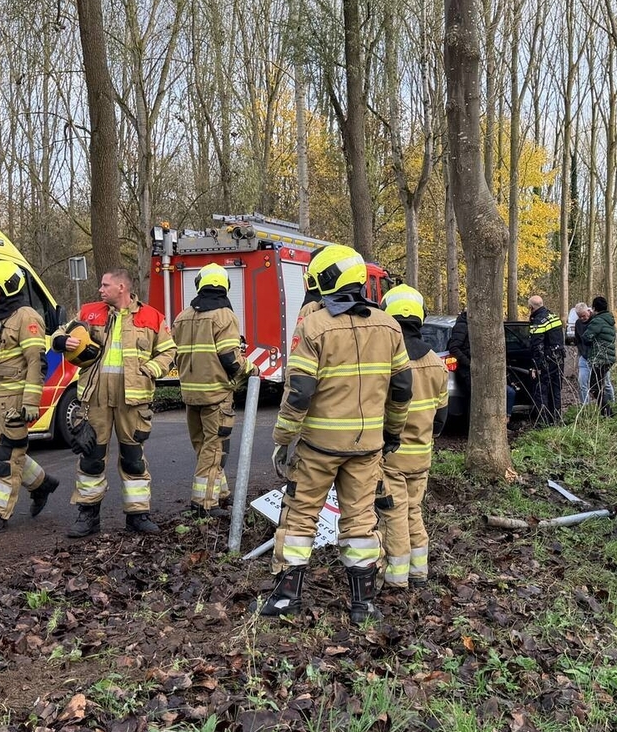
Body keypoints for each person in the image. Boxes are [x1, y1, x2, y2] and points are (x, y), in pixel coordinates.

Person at [261, 244, 412, 624]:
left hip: (318, 447)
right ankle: (364, 605)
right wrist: (392, 433)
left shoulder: (313, 325)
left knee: (299, 518)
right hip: (368, 447)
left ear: (325, 281)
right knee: (360, 521)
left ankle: (286, 599)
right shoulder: (389, 326)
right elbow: (402, 389)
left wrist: (283, 438)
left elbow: (299, 392)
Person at [53, 267, 176, 537]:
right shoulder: (89, 312)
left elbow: (169, 352)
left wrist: (150, 370)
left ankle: (138, 516)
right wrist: (62, 340)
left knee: (133, 459)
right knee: (91, 457)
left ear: (122, 287)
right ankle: (88, 515)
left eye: (105, 285)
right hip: (95, 398)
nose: (100, 289)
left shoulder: (152, 317)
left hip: (133, 400)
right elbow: (58, 333)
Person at [0, 260, 58, 532]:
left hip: (13, 400)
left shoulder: (27, 317)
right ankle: (41, 483)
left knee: (7, 457)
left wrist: (31, 402)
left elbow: (37, 362)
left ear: (8, 288)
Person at [378, 285, 449, 590]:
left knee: (392, 513)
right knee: (413, 510)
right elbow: (441, 417)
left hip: (391, 456)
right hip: (422, 455)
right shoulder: (436, 363)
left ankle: (396, 577)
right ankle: (419, 571)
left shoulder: (386, 360)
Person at [171, 263, 244, 520]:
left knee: (204, 448)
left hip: (191, 395)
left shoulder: (183, 316)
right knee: (214, 451)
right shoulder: (224, 316)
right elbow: (230, 359)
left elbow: (174, 353)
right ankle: (203, 504)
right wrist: (250, 369)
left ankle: (221, 493)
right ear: (225, 286)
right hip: (216, 395)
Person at [447, 307, 515, 420]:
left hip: (481, 368)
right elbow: (454, 348)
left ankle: (500, 421)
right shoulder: (462, 326)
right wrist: (470, 363)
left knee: (503, 393)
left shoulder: (476, 325)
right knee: (478, 399)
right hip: (468, 370)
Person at [526, 294, 563, 424]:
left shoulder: (538, 321)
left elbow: (537, 347)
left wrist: (536, 366)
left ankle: (543, 422)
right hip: (558, 359)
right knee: (556, 390)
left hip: (546, 361)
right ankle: (556, 418)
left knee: (541, 391)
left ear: (531, 307)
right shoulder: (553, 316)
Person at [579, 295, 617, 417]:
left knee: (594, 387)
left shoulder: (598, 321)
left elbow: (586, 337)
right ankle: (605, 411)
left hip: (600, 358)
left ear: (594, 308)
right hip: (609, 358)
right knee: (601, 385)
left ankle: (607, 413)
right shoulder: (610, 320)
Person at [572, 303, 595, 405]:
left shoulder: (595, 320)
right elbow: (577, 340)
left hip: (596, 356)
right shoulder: (578, 323)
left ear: (588, 311)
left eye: (584, 316)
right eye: (579, 316)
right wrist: (581, 352)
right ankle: (585, 406)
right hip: (584, 357)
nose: (582, 318)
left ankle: (610, 404)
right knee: (582, 383)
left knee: (604, 383)